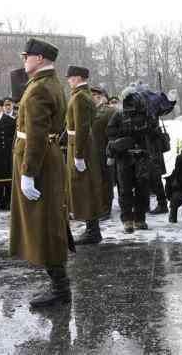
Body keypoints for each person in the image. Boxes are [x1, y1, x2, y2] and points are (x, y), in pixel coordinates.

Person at [10, 38, 71, 308]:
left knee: (45, 222)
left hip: (39, 161)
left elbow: (35, 135)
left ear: (40, 59)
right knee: (48, 220)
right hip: (47, 156)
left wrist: (28, 172)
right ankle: (59, 286)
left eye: (27, 55)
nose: (24, 60)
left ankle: (60, 290)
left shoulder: (39, 89)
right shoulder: (49, 84)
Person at [106, 87, 155, 233]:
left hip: (142, 156)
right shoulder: (119, 115)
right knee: (125, 189)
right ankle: (127, 220)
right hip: (124, 157)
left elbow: (153, 130)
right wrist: (122, 140)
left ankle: (140, 219)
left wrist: (144, 130)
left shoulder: (146, 114)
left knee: (143, 188)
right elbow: (110, 131)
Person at [65, 66, 104, 245]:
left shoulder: (80, 96)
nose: (69, 80)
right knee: (85, 185)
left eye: (71, 77)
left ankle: (92, 230)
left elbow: (81, 126)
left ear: (79, 77)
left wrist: (79, 154)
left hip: (81, 145)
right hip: (80, 143)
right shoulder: (83, 94)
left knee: (85, 186)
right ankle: (91, 228)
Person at [90, 86, 116, 219]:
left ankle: (106, 208)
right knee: (96, 181)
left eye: (96, 95)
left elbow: (113, 134)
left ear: (102, 97)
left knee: (106, 181)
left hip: (105, 151)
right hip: (92, 152)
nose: (93, 97)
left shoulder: (109, 111)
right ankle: (98, 207)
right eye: (92, 95)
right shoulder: (90, 111)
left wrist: (111, 152)